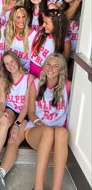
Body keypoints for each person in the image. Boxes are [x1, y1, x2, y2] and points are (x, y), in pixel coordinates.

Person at [0, 51, 33, 189]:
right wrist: (0, 113)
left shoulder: (29, 79)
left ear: (17, 61)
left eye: (12, 61)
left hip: (25, 114)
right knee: (4, 121)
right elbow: (1, 102)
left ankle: (0, 173)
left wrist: (17, 124)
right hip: (11, 109)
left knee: (13, 138)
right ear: (4, 66)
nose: (10, 65)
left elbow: (26, 106)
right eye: (6, 63)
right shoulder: (3, 79)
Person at [25, 53, 71, 190]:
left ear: (61, 69)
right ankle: (38, 187)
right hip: (37, 132)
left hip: (57, 137)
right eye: (48, 65)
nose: (50, 69)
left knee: (62, 133)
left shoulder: (68, 86)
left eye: (55, 66)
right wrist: (41, 124)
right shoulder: (35, 84)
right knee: (48, 132)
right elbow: (31, 113)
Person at [30, 9, 71, 78]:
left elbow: (63, 66)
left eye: (46, 23)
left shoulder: (65, 42)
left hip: (45, 75)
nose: (43, 25)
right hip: (30, 69)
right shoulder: (42, 33)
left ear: (56, 25)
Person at [5, 6, 38, 72]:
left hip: (26, 73)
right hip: (10, 71)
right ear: (12, 19)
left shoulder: (34, 35)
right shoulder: (7, 32)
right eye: (18, 17)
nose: (22, 20)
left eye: (23, 17)